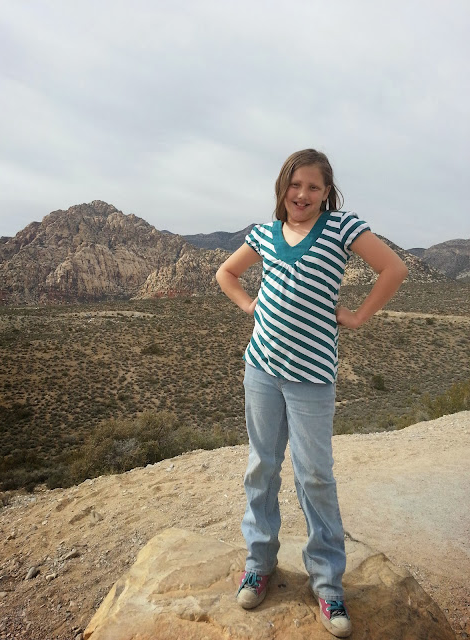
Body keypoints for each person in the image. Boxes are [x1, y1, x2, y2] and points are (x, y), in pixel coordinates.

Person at [215, 149, 408, 638]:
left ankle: (326, 584)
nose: (302, 195)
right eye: (295, 185)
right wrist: (250, 305)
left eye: (313, 187)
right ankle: (259, 563)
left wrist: (358, 316)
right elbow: (225, 274)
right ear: (283, 188)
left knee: (315, 476)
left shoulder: (341, 227)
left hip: (312, 378)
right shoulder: (264, 233)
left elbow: (393, 269)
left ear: (326, 192)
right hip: (261, 368)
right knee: (261, 467)